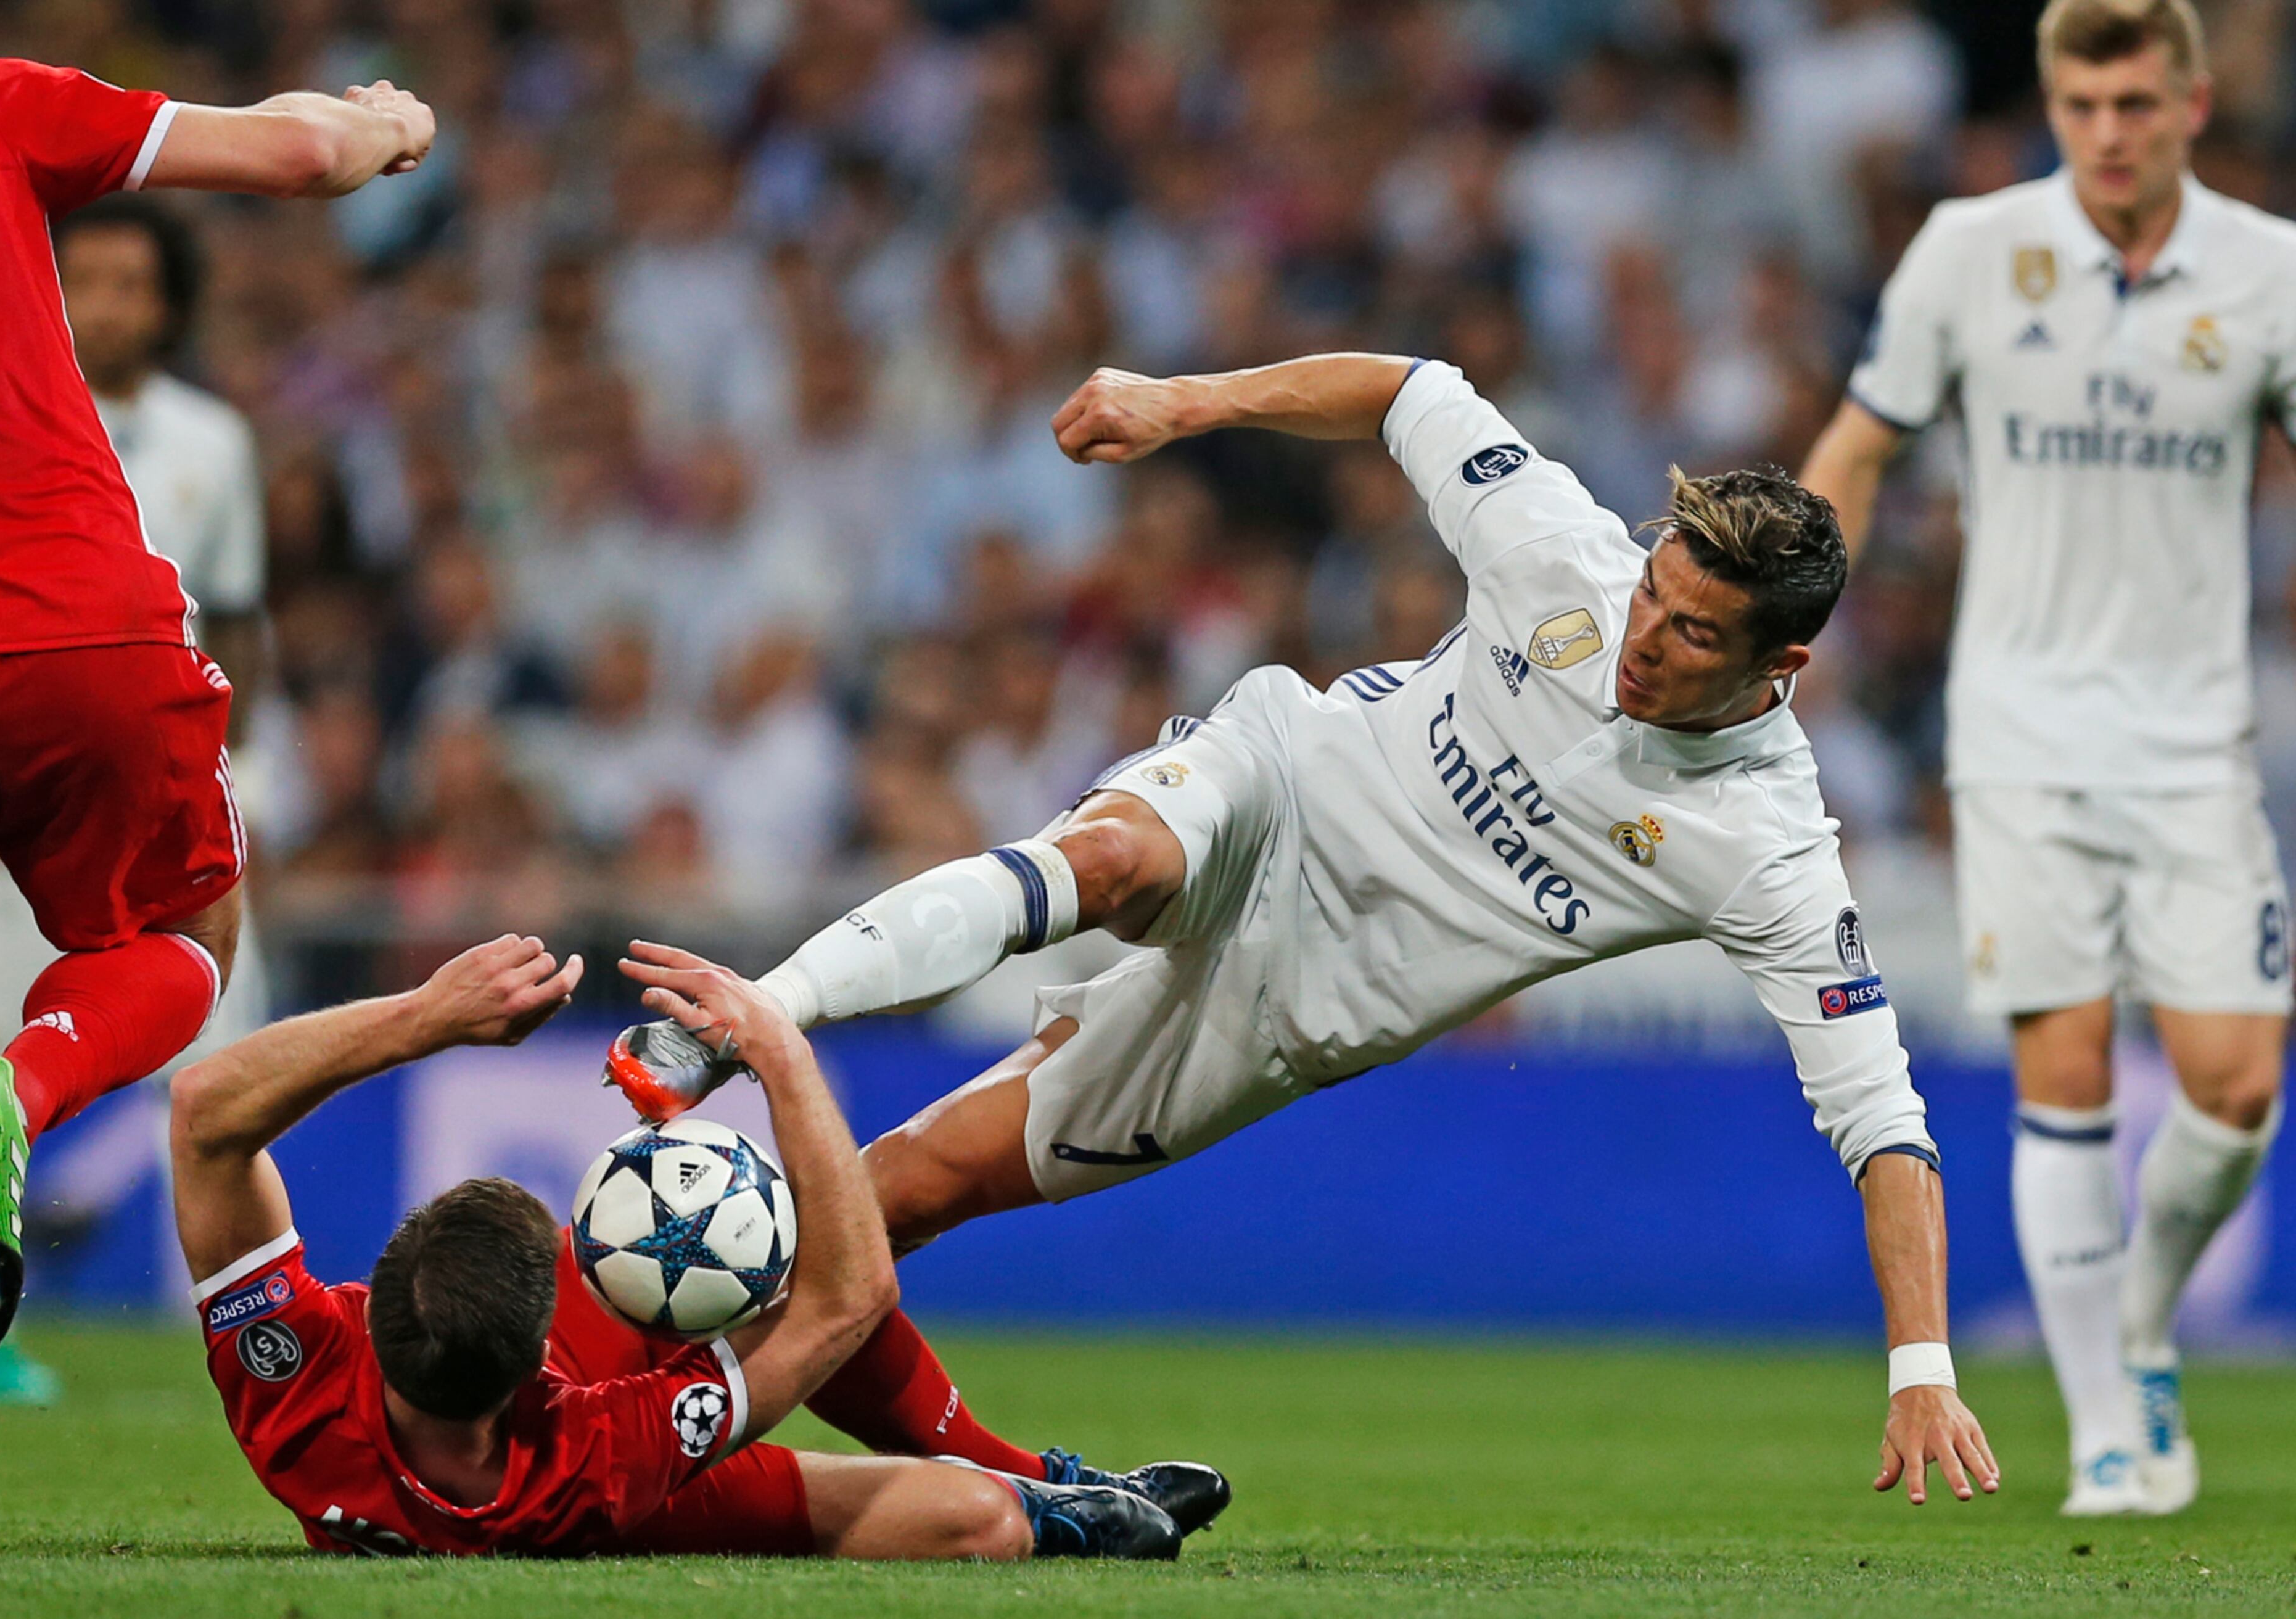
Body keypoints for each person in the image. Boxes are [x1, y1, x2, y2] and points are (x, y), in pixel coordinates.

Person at [718, 352, 2001, 1509]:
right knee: (1110, 858)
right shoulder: (1562, 553)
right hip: (1276, 786)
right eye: (1654, 595)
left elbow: (1883, 1118)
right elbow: (1408, 390)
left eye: (1695, 633)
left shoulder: (1768, 846)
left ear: (1781, 670)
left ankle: (663, 1420)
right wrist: (1185, 401)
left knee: (908, 1193)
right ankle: (754, 1013)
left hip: (1283, 1012)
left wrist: (1923, 1365)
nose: (1642, 640)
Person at [1799, 0, 2289, 1515]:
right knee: (2062, 1070)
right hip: (2016, 733)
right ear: (2053, 107)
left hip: (2196, 736)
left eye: (2139, 101)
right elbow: (1862, 441)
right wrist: (1781, 619)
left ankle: (2138, 1315)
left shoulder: (2270, 274)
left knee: (2238, 1086)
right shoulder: (1969, 250)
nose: (2110, 131)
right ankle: (2111, 1428)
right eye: (2083, 102)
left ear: (2193, 106)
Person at [0, 54, 432, 1361]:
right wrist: (383, 124)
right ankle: (16, 1094)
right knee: (193, 930)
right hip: (84, 617)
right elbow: (297, 156)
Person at [170, 933, 1221, 1560]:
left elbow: (207, 1108)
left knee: (979, 1525)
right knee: (973, 1509)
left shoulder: (297, 1387)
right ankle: (1039, 1483)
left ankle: (1050, 1499)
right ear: (539, 1357)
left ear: (370, 1309)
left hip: (560, 1498)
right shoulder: (597, 1446)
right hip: (619, 1500)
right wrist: (778, 1047)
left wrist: (426, 1015)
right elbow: (844, 1297)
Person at [0, 192, 271, 1404]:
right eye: (84, 280)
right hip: (40, 771)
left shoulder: (211, 443)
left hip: (131, 763)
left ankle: (228, 1313)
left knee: (224, 1063)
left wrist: (254, 777)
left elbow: (239, 617)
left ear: (170, 303)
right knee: (20, 1025)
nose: (106, 308)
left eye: (132, 284)